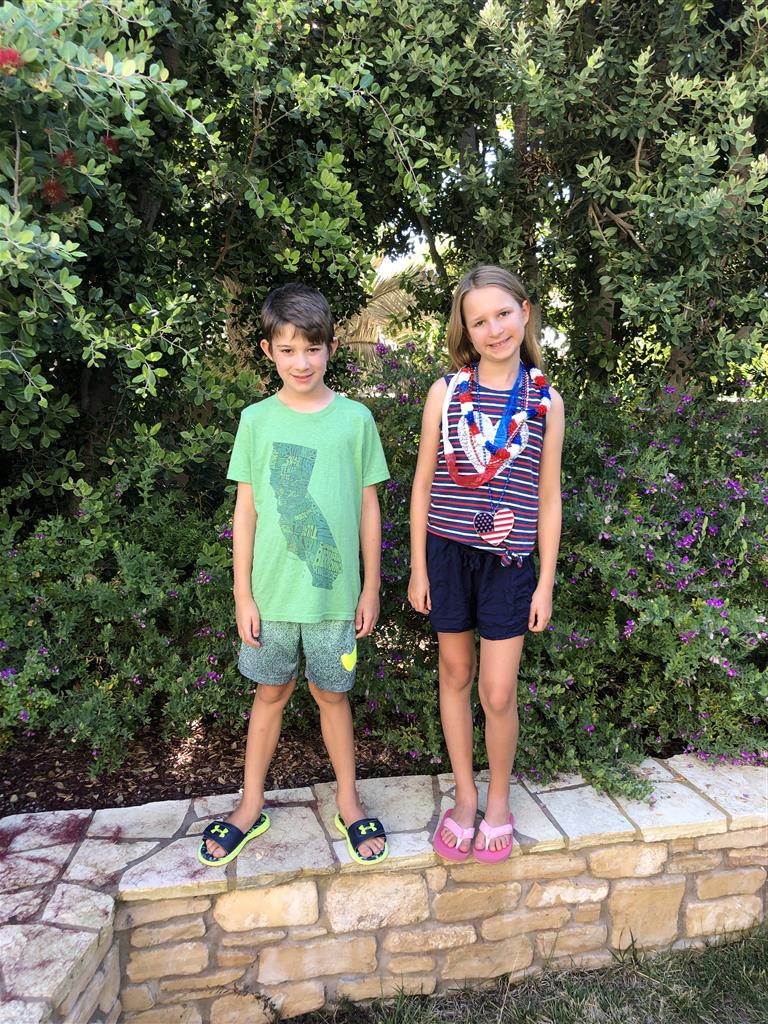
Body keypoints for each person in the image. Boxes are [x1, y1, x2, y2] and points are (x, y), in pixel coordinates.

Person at [199, 283, 390, 868]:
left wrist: (371, 586)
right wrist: (242, 595)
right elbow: (246, 512)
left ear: (330, 347)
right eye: (287, 350)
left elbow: (369, 507)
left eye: (312, 348)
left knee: (333, 696)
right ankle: (249, 805)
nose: (301, 362)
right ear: (268, 351)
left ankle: (349, 803)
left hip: (335, 599)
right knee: (270, 694)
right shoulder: (256, 421)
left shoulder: (355, 420)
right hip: (272, 597)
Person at [408, 265, 564, 863]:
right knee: (454, 673)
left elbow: (548, 498)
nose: (494, 329)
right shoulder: (447, 393)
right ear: (465, 331)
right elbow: (423, 483)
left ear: (525, 312)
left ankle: (498, 799)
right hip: (447, 555)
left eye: (502, 314)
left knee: (497, 693)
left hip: (509, 561)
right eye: (479, 321)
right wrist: (419, 566)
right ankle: (466, 796)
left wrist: (545, 582)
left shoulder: (545, 402)